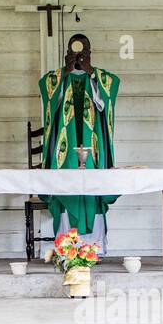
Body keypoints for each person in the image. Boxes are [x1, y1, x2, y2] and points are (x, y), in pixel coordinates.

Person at [37, 34, 120, 246]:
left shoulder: (98, 78)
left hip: (93, 147)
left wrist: (91, 71)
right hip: (65, 151)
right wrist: (65, 71)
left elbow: (111, 88)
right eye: (74, 55)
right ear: (67, 55)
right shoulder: (57, 78)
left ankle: (94, 246)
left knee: (93, 186)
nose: (79, 58)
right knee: (67, 185)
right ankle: (67, 246)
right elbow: (47, 90)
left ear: (90, 55)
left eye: (83, 54)